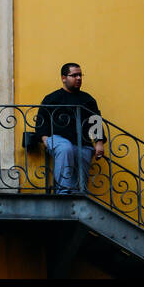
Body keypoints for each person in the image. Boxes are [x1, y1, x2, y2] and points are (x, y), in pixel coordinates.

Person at [35, 63, 104, 194]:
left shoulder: (87, 99)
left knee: (81, 170)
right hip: (59, 140)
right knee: (65, 148)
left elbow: (96, 121)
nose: (78, 78)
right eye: (74, 75)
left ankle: (79, 194)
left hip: (82, 143)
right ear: (63, 78)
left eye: (80, 75)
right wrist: (45, 139)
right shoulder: (52, 98)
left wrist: (99, 143)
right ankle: (63, 192)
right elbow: (41, 120)